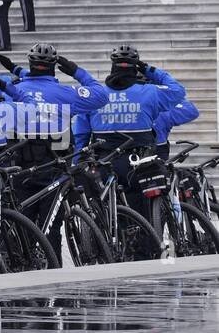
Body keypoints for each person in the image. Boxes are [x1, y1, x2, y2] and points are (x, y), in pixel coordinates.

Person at [0, 42, 110, 250]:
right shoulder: (66, 93)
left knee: (23, 224)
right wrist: (76, 71)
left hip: (19, 166)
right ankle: (52, 270)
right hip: (54, 165)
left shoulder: (15, 90)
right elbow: (102, 96)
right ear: (54, 65)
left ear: (30, 63)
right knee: (51, 228)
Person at [73, 44, 185, 217]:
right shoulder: (150, 92)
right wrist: (149, 70)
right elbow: (178, 91)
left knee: (105, 212)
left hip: (105, 162)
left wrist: (78, 159)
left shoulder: (97, 94)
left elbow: (80, 134)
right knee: (146, 214)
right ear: (135, 67)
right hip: (142, 163)